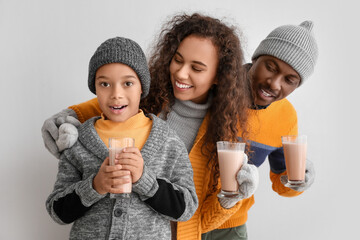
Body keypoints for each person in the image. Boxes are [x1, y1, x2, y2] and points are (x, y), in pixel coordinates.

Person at [42, 14, 259, 240]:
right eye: (178, 59)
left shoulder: (218, 132)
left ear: (218, 76)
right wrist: (65, 118)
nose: (181, 73)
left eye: (197, 68)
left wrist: (230, 198)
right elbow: (106, 103)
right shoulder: (143, 97)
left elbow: (191, 213)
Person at [45, 36, 198, 239]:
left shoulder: (168, 141)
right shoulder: (79, 141)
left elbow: (186, 208)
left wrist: (145, 180)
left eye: (127, 83)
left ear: (142, 87)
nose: (116, 94)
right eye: (105, 84)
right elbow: (57, 211)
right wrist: (94, 186)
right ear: (95, 89)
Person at [202, 21, 318, 240]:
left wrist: (299, 180)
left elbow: (281, 182)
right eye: (270, 67)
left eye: (289, 80)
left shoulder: (286, 116)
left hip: (230, 225)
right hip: (182, 214)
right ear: (256, 58)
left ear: (296, 86)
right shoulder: (215, 82)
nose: (274, 84)